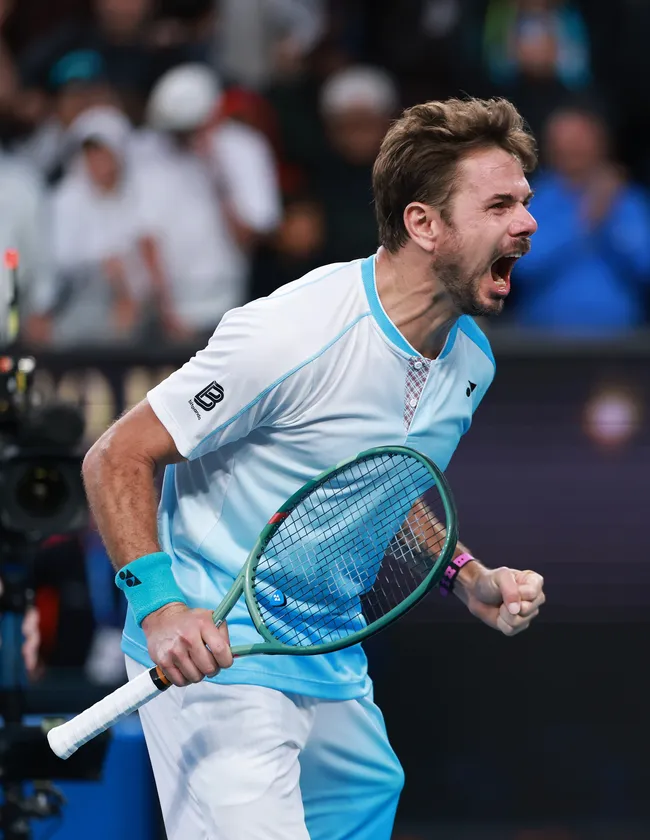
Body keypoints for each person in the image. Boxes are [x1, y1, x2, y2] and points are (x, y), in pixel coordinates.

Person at [82, 96, 547, 840]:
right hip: (219, 662)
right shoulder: (291, 333)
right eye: (499, 204)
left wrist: (467, 576)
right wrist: (162, 608)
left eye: (524, 200)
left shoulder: (471, 364)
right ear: (424, 224)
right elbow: (116, 456)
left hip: (330, 660)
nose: (526, 222)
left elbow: (382, 487)